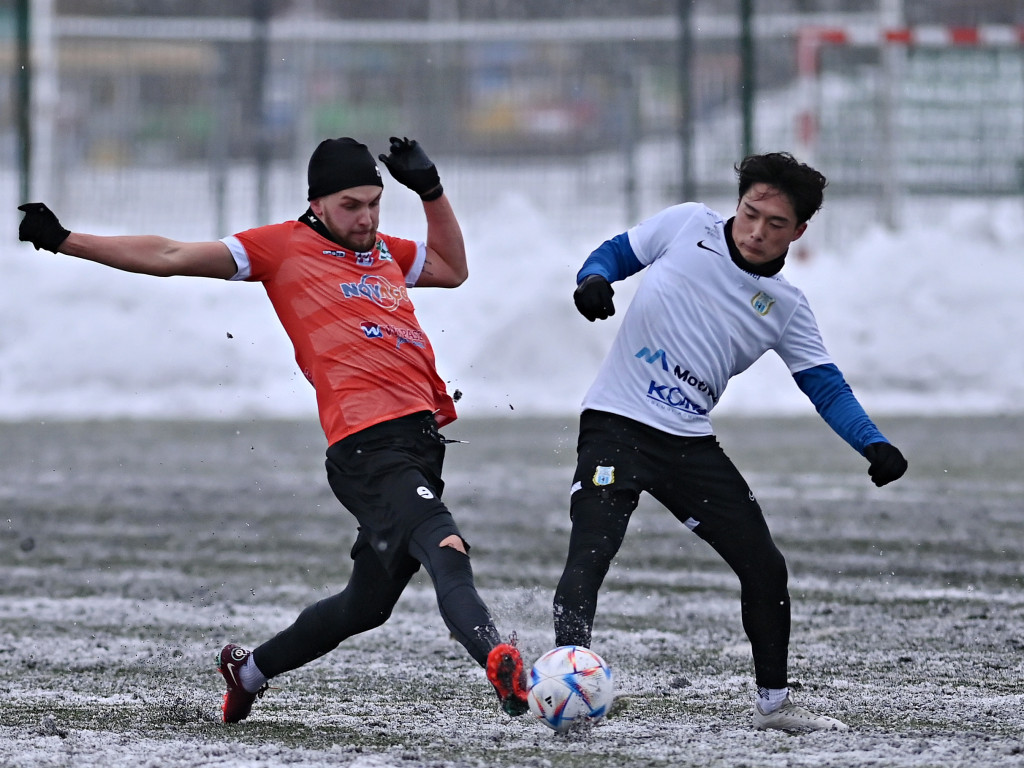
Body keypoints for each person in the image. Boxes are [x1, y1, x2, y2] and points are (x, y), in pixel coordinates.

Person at [17, 136, 530, 723]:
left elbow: (452, 270)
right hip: (367, 448)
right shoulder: (283, 247)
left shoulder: (384, 251)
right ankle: (498, 661)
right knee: (446, 546)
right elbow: (169, 254)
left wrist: (432, 191)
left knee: (366, 606)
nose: (364, 219)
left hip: (417, 443)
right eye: (350, 206)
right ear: (317, 203)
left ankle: (250, 670)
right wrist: (64, 241)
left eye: (373, 204)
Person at [554, 152, 908, 734]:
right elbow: (618, 252)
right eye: (750, 213)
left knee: (765, 567)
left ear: (799, 230)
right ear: (737, 204)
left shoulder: (787, 308)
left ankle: (775, 705)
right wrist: (593, 280)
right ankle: (567, 684)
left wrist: (873, 444)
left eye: (776, 224)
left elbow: (826, 386)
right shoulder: (688, 225)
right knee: (592, 549)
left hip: (688, 443)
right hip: (615, 421)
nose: (757, 231)